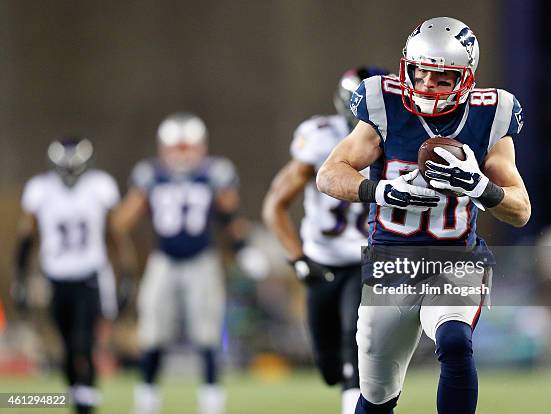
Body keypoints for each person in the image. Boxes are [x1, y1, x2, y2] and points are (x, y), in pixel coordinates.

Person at [316, 17, 531, 414]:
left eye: (441, 78)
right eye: (420, 73)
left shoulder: (491, 116)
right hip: (389, 262)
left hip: (455, 259)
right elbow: (329, 175)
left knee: (454, 341)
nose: (427, 85)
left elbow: (520, 210)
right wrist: (381, 190)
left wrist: (481, 186)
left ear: (465, 79)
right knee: (378, 395)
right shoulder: (384, 104)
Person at [263, 67, 388, 414]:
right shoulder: (320, 138)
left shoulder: (401, 142)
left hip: (370, 260)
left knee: (355, 344)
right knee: (329, 367)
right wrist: (298, 258)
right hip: (323, 260)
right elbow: (275, 205)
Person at [113, 112, 245, 414]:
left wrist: (242, 247)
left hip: (202, 259)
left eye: (187, 147)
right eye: (177, 147)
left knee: (208, 333)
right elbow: (123, 220)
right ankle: (147, 398)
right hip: (164, 260)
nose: (182, 154)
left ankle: (211, 400)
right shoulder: (150, 174)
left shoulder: (214, 173)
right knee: (152, 331)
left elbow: (230, 215)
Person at [13, 137, 134, 414]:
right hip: (55, 277)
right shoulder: (40, 190)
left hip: (89, 275)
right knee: (66, 346)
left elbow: (115, 235)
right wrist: (19, 277)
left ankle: (86, 403)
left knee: (84, 341)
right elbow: (26, 237)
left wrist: (126, 274)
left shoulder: (99, 187)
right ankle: (77, 397)